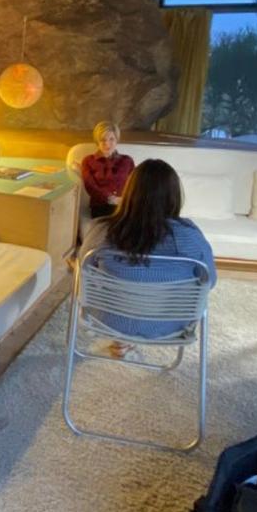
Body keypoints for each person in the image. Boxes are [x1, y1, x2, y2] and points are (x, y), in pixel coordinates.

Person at [80, 158, 215, 358]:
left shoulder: (101, 229)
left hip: (108, 320)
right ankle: (131, 331)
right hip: (169, 325)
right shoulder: (189, 236)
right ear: (174, 196)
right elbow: (209, 281)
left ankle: (124, 335)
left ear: (129, 192)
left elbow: (83, 274)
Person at [80, 121, 134, 219]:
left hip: (124, 205)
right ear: (97, 141)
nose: (107, 144)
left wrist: (127, 200)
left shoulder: (127, 161)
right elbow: (90, 186)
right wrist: (110, 199)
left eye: (111, 139)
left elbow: (134, 183)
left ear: (117, 140)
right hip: (101, 207)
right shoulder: (88, 161)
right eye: (103, 140)